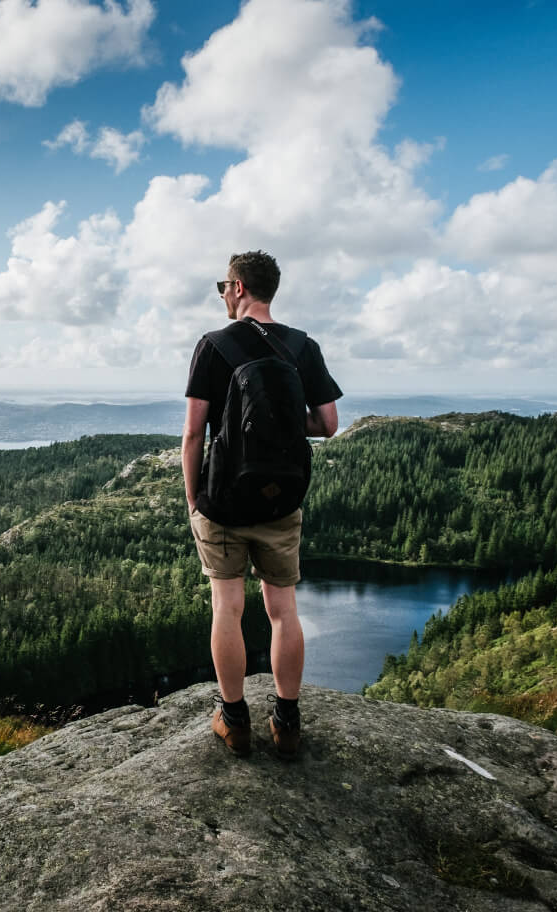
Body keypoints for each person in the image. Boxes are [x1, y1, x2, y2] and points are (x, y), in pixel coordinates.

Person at [182, 250, 342, 759]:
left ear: (236, 287)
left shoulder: (214, 345)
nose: (224, 296)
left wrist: (194, 501)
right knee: (282, 610)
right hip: (280, 502)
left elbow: (192, 433)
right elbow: (327, 424)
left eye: (222, 288)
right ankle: (287, 722)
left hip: (224, 503)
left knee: (227, 608)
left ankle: (234, 719)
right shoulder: (302, 346)